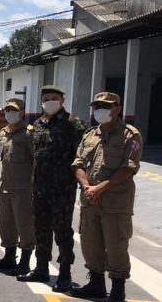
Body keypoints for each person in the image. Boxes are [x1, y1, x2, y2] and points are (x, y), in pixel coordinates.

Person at [69, 92, 142, 302]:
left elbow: (129, 169)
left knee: (116, 245)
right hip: (90, 200)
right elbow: (78, 163)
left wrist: (99, 188)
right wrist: (86, 187)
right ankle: (96, 284)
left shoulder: (130, 135)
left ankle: (118, 289)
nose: (100, 109)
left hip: (115, 203)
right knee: (90, 244)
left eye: (105, 106)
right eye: (97, 106)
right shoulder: (90, 134)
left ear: (117, 108)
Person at [18, 85, 85, 292]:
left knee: (63, 233)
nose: (49, 101)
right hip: (40, 189)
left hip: (62, 190)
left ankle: (65, 274)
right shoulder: (38, 124)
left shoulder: (73, 124)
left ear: (62, 100)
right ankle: (41, 268)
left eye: (54, 98)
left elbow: (82, 156)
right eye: (46, 98)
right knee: (41, 230)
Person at [0, 98, 36, 276]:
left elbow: (36, 161)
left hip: (23, 188)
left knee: (24, 225)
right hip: (6, 187)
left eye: (13, 110)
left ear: (22, 113)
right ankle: (9, 258)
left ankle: (24, 262)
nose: (9, 114)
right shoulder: (3, 133)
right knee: (6, 223)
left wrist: (33, 185)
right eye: (7, 110)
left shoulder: (29, 134)